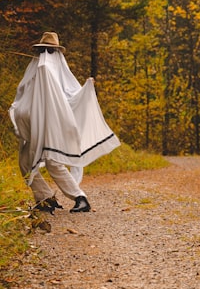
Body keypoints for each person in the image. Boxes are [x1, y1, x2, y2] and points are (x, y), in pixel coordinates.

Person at [9, 31, 120, 214]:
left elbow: (70, 97)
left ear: (57, 53)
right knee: (27, 163)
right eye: (44, 50)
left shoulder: (53, 71)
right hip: (35, 127)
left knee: (52, 161)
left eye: (50, 51)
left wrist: (86, 91)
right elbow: (24, 95)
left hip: (52, 127)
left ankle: (79, 198)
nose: (46, 55)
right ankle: (46, 198)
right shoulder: (36, 70)